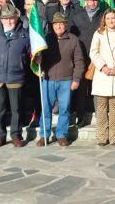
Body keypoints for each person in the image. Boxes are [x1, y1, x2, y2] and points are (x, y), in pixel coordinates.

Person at [38, 12, 85, 147]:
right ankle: (44, 135)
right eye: (56, 24)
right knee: (46, 108)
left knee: (64, 109)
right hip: (48, 79)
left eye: (61, 23)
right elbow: (39, 56)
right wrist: (38, 59)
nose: (58, 26)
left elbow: (79, 61)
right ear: (52, 25)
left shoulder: (73, 39)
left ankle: (61, 135)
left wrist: (76, 79)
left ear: (65, 25)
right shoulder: (46, 38)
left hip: (66, 80)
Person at [0, 4, 30, 148]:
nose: (9, 21)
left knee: (16, 109)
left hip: (16, 77)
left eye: (12, 18)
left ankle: (16, 135)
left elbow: (31, 53)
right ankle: (0, 136)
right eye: (5, 19)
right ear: (1, 20)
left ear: (17, 18)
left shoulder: (25, 34)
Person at [89, 9, 115, 146]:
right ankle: (101, 137)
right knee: (101, 109)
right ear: (104, 20)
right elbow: (93, 52)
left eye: (113, 18)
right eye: (108, 18)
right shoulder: (98, 34)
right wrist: (103, 67)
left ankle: (114, 137)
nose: (111, 21)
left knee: (114, 109)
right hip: (102, 75)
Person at [70, 0, 105, 127]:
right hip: (82, 57)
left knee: (98, 88)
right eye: (90, 0)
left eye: (95, 0)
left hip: (99, 58)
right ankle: (81, 116)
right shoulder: (77, 17)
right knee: (81, 89)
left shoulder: (103, 16)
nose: (93, 2)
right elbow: (72, 37)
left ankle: (99, 116)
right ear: (86, 1)